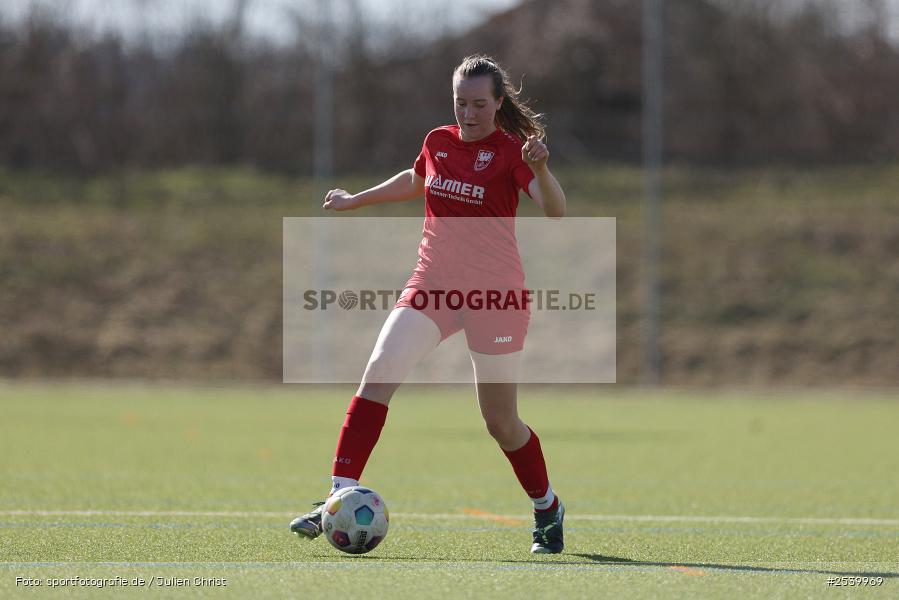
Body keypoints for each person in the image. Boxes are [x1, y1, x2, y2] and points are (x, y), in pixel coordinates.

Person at [290, 55, 568, 553]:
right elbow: (416, 179)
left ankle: (546, 506)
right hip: (432, 284)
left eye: (479, 104)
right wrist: (356, 200)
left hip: (494, 295)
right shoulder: (438, 141)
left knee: (501, 423)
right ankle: (337, 495)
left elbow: (556, 209)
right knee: (378, 371)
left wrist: (541, 169)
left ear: (498, 103)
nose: (469, 113)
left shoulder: (512, 152)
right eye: (461, 103)